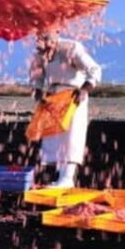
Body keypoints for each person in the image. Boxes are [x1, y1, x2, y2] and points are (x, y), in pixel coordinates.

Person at [30, 31, 102, 188]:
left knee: (72, 135)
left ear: (55, 34)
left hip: (73, 94)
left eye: (46, 37)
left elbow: (95, 70)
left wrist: (84, 90)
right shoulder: (39, 53)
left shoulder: (71, 47)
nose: (42, 41)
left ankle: (67, 178)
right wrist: (38, 91)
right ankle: (61, 177)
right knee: (54, 136)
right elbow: (37, 76)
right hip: (53, 96)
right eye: (39, 37)